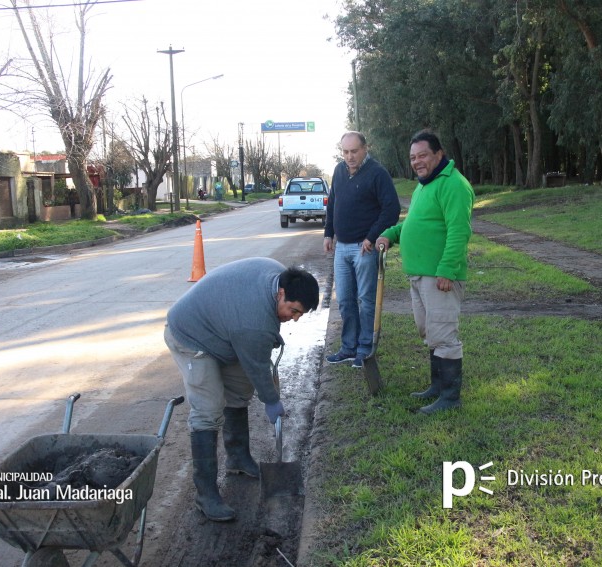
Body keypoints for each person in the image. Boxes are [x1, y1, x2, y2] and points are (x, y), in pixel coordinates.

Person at [163, 258, 320, 521]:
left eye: (299, 315)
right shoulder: (253, 324)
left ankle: (237, 458)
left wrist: (268, 333)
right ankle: (206, 495)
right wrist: (271, 400)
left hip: (224, 330)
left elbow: (253, 343)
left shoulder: (279, 276)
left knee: (238, 390)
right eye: (292, 311)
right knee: (208, 409)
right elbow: (258, 367)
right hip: (190, 335)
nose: (292, 319)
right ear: (281, 292)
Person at [376, 130, 474, 415]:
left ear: (438, 155)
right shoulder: (423, 185)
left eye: (422, 156)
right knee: (428, 331)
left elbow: (459, 231)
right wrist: (390, 234)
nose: (417, 162)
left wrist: (447, 270)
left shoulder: (453, 185)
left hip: (439, 277)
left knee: (443, 334)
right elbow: (414, 223)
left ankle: (450, 398)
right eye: (412, 158)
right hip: (419, 275)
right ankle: (436, 386)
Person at [323, 131, 400, 368]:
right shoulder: (338, 170)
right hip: (342, 248)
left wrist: (372, 236)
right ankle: (348, 347)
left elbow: (391, 209)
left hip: (365, 249)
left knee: (366, 300)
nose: (349, 156)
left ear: (365, 149)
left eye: (354, 151)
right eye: (345, 152)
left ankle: (365, 349)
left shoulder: (377, 173)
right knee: (345, 301)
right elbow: (333, 202)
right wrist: (328, 233)